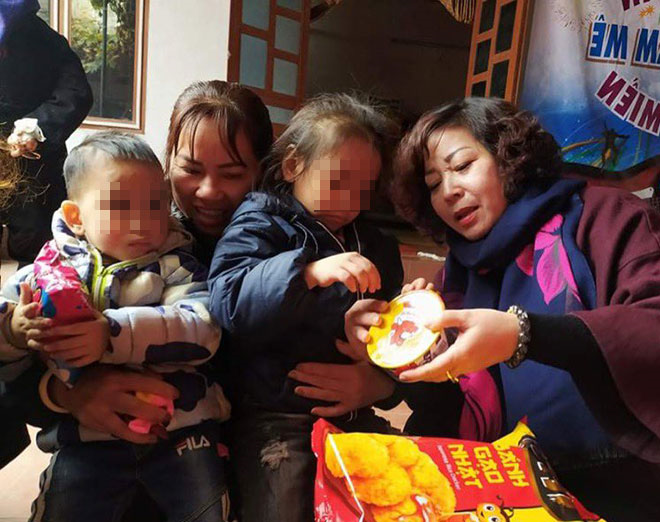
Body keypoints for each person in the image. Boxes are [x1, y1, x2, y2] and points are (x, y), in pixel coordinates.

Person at [344, 97, 660, 520]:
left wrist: (521, 334)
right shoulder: (455, 277)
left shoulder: (605, 215)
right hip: (505, 493)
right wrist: (398, 351)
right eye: (433, 184)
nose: (449, 191)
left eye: (462, 165)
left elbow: (649, 326)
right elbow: (450, 413)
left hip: (619, 484)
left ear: (509, 158)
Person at [0, 131, 231, 521]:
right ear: (76, 218)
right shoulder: (44, 271)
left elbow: (204, 328)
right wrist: (14, 331)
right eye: (120, 206)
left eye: (155, 205)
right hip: (85, 438)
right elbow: (7, 352)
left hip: (182, 433)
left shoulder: (176, 267)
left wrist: (112, 334)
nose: (143, 222)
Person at [207, 93, 404, 522]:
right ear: (293, 165)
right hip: (275, 418)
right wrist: (306, 272)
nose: (350, 202)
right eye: (339, 181)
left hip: (354, 411)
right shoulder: (260, 220)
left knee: (397, 496)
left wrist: (398, 326)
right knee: (281, 506)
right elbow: (229, 301)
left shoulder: (375, 244)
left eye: (364, 188)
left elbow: (394, 335)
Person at [0, 0, 93, 263]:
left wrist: (37, 126)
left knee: (39, 247)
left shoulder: (44, 40)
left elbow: (76, 91)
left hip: (35, 167)